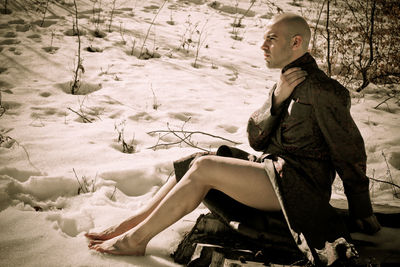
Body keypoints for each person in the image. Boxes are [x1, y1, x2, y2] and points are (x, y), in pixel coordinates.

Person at [86, 13, 381, 265]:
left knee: (205, 170)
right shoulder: (286, 83)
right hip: (273, 173)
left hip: (298, 188)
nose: (262, 46)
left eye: (271, 39)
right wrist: (276, 100)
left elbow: (350, 152)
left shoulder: (325, 92)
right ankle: (129, 225)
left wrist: (361, 209)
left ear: (296, 43)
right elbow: (256, 140)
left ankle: (136, 240)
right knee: (198, 161)